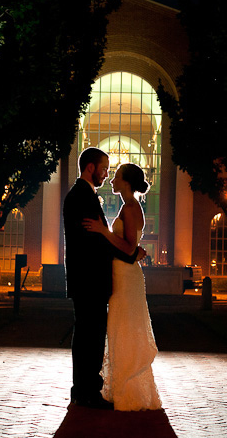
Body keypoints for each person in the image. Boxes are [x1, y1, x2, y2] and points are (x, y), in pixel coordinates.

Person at [63, 147, 143, 409]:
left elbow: (100, 237)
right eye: (104, 168)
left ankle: (84, 389)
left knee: (90, 334)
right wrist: (131, 255)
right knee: (90, 335)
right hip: (88, 279)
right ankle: (86, 391)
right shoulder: (81, 196)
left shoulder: (86, 195)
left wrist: (129, 252)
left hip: (89, 279)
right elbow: (94, 240)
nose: (107, 174)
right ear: (90, 168)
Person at [83, 163, 162, 411]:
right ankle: (123, 387)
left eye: (116, 177)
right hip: (123, 274)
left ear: (126, 182)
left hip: (127, 277)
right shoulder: (129, 207)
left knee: (124, 328)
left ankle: (129, 390)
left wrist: (102, 231)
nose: (112, 181)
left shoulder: (130, 208)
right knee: (120, 328)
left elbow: (128, 247)